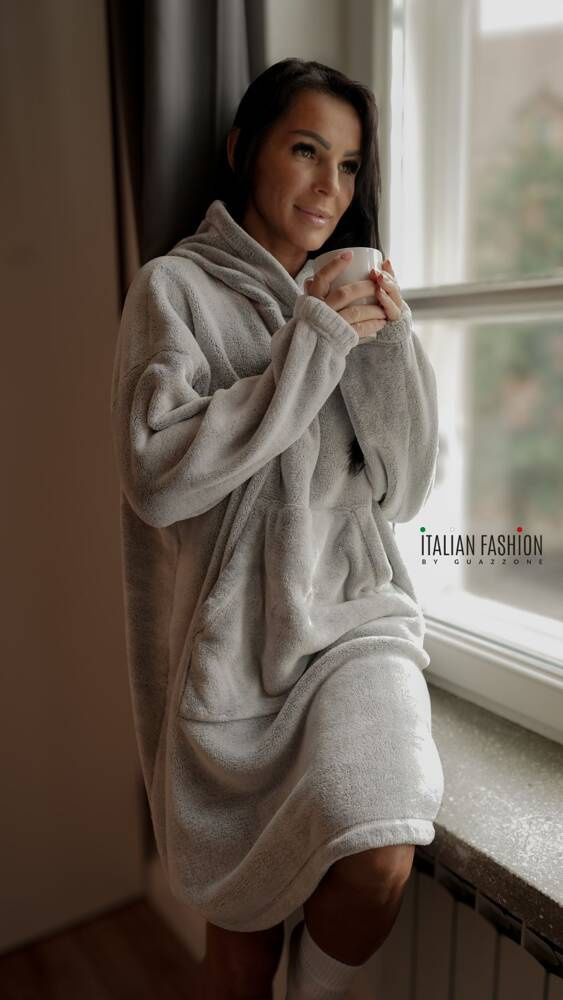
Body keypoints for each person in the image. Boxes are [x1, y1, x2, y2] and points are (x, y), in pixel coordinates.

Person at [110, 58, 444, 1000]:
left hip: (354, 622)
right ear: (242, 148)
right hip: (234, 652)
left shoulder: (352, 294)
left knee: (378, 851)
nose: (329, 185)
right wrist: (311, 344)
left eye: (348, 165)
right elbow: (156, 476)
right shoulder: (173, 290)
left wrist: (386, 348)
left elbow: (406, 490)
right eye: (305, 151)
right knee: (240, 950)